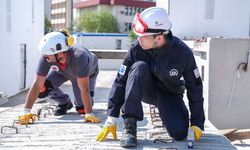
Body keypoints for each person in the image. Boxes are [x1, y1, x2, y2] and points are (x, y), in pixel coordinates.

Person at [96, 7, 205, 147]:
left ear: (158, 38)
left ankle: (166, 113)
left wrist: (197, 123)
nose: (138, 39)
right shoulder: (136, 49)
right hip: (145, 90)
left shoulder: (183, 53)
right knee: (138, 67)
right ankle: (129, 127)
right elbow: (120, 81)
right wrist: (111, 117)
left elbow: (194, 87)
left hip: (169, 93)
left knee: (180, 133)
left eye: (142, 36)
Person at [20, 30, 101, 123]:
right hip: (63, 71)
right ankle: (64, 102)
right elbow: (37, 84)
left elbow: (84, 88)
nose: (45, 57)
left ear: (60, 53)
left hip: (86, 74)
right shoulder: (47, 57)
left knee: (82, 109)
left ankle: (83, 105)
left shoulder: (79, 56)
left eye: (47, 56)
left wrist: (89, 114)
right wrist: (26, 111)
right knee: (43, 88)